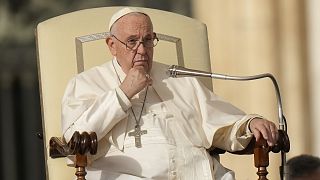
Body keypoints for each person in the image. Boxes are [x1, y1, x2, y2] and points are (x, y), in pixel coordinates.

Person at [61, 7, 279, 180]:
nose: (142, 49)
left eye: (148, 40)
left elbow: (221, 123)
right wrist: (123, 93)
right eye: (132, 41)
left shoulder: (176, 77)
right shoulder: (86, 83)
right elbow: (74, 141)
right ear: (111, 45)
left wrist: (250, 123)